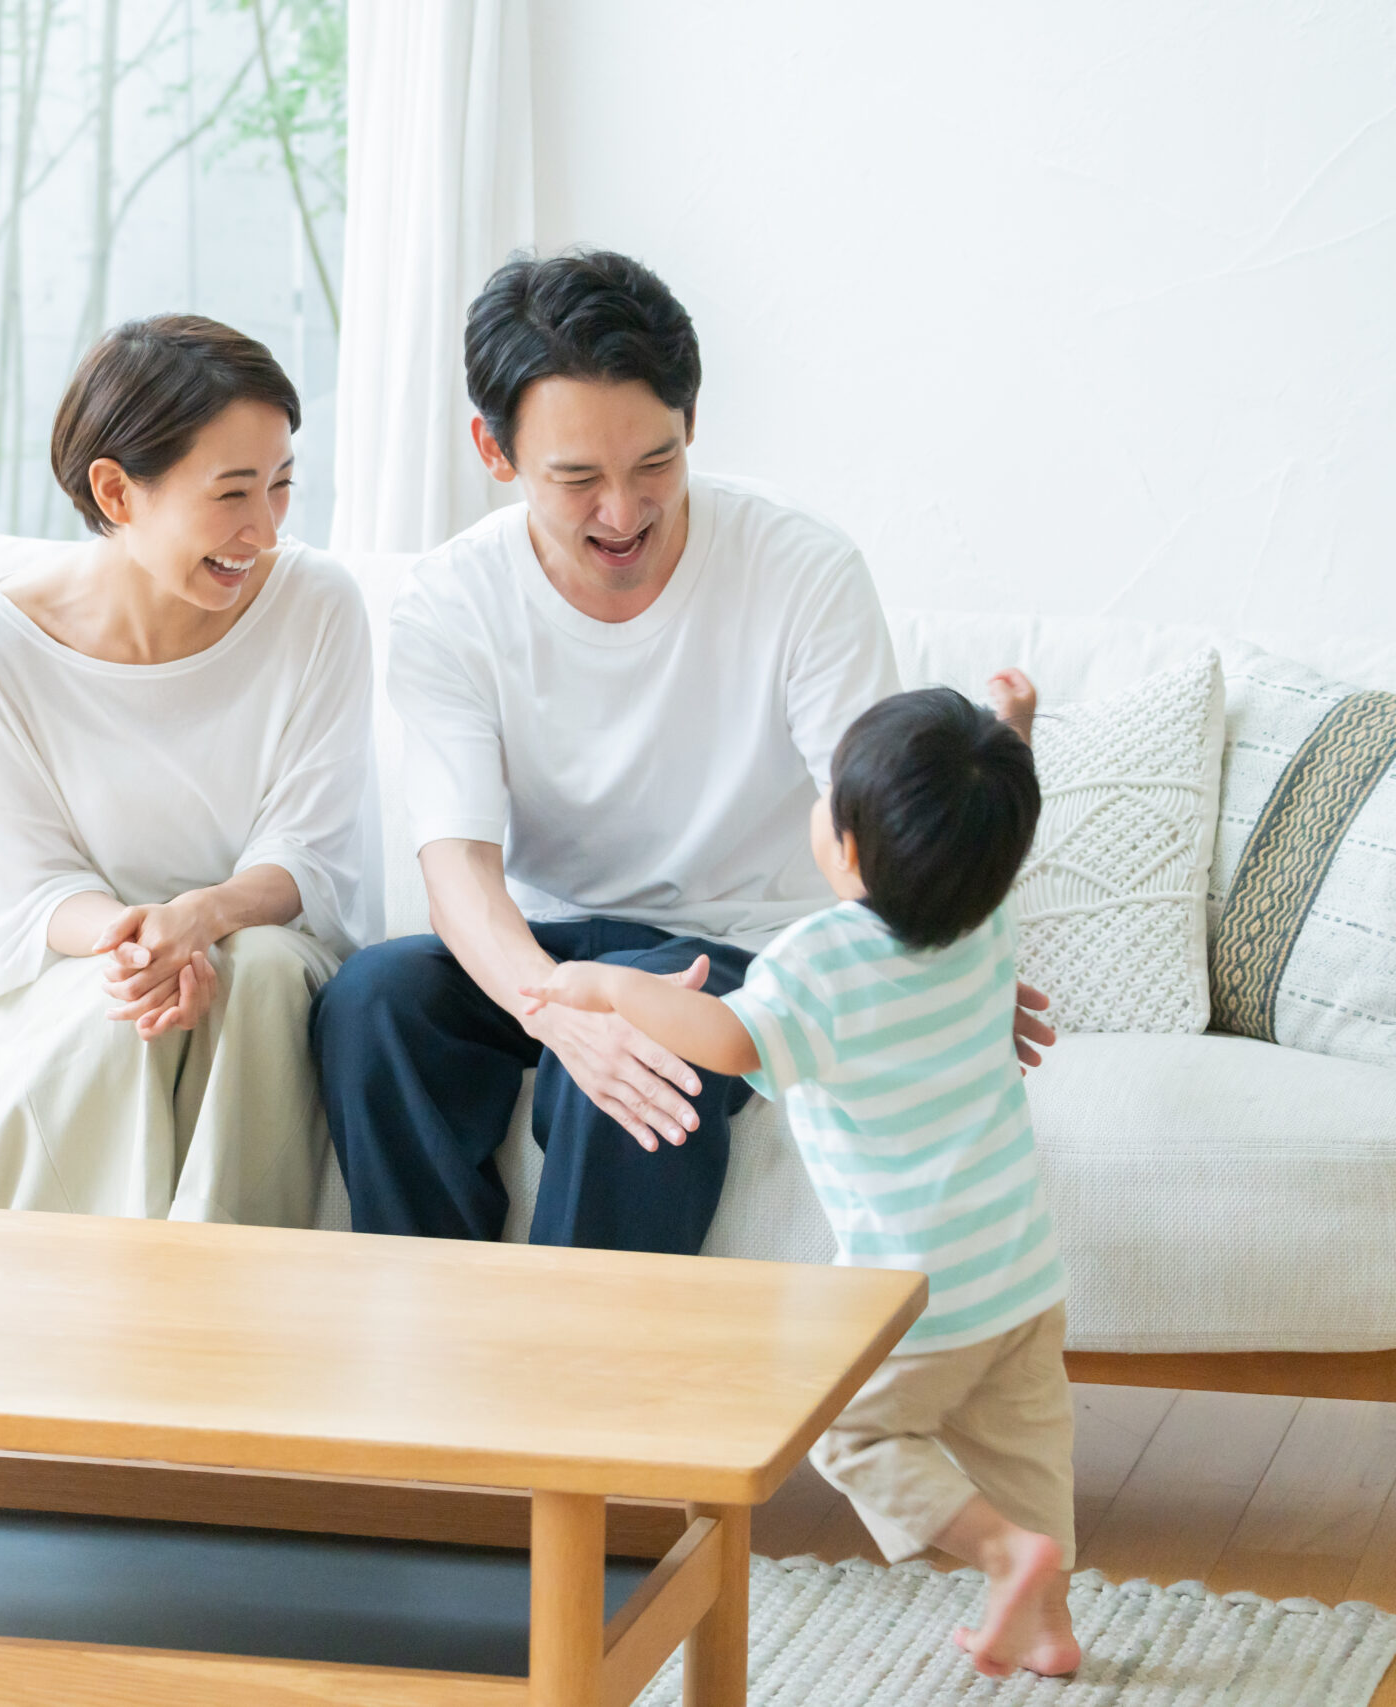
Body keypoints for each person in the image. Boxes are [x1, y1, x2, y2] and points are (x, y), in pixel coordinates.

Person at [310, 248, 1056, 1254]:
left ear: (692, 421)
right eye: (577, 479)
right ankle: (439, 1331)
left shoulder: (801, 569)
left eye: (654, 464)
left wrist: (932, 972)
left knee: (649, 1027)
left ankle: (587, 1357)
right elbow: (459, 874)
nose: (623, 514)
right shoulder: (451, 603)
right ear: (495, 451)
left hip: (737, 946)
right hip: (551, 939)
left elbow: (883, 818)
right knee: (372, 1003)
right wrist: (556, 1013)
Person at [525, 672, 1080, 1680]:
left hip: (914, 1295)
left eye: (830, 799)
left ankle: (1002, 1552)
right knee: (1029, 1449)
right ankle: (1047, 1618)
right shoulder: (985, 912)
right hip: (1022, 1273)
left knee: (849, 1435)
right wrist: (1015, 731)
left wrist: (607, 984)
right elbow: (997, 827)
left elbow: (729, 1039)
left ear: (851, 849)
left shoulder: (822, 960)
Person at [0, 315, 378, 1226]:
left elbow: (311, 847)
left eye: (282, 485)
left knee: (256, 974)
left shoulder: (317, 604)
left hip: (260, 940)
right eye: (232, 492)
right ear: (117, 491)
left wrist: (201, 919)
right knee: (123, 1014)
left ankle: (224, 1293)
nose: (264, 529)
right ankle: (96, 1300)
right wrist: (140, 946)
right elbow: (18, 889)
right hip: (76, 958)